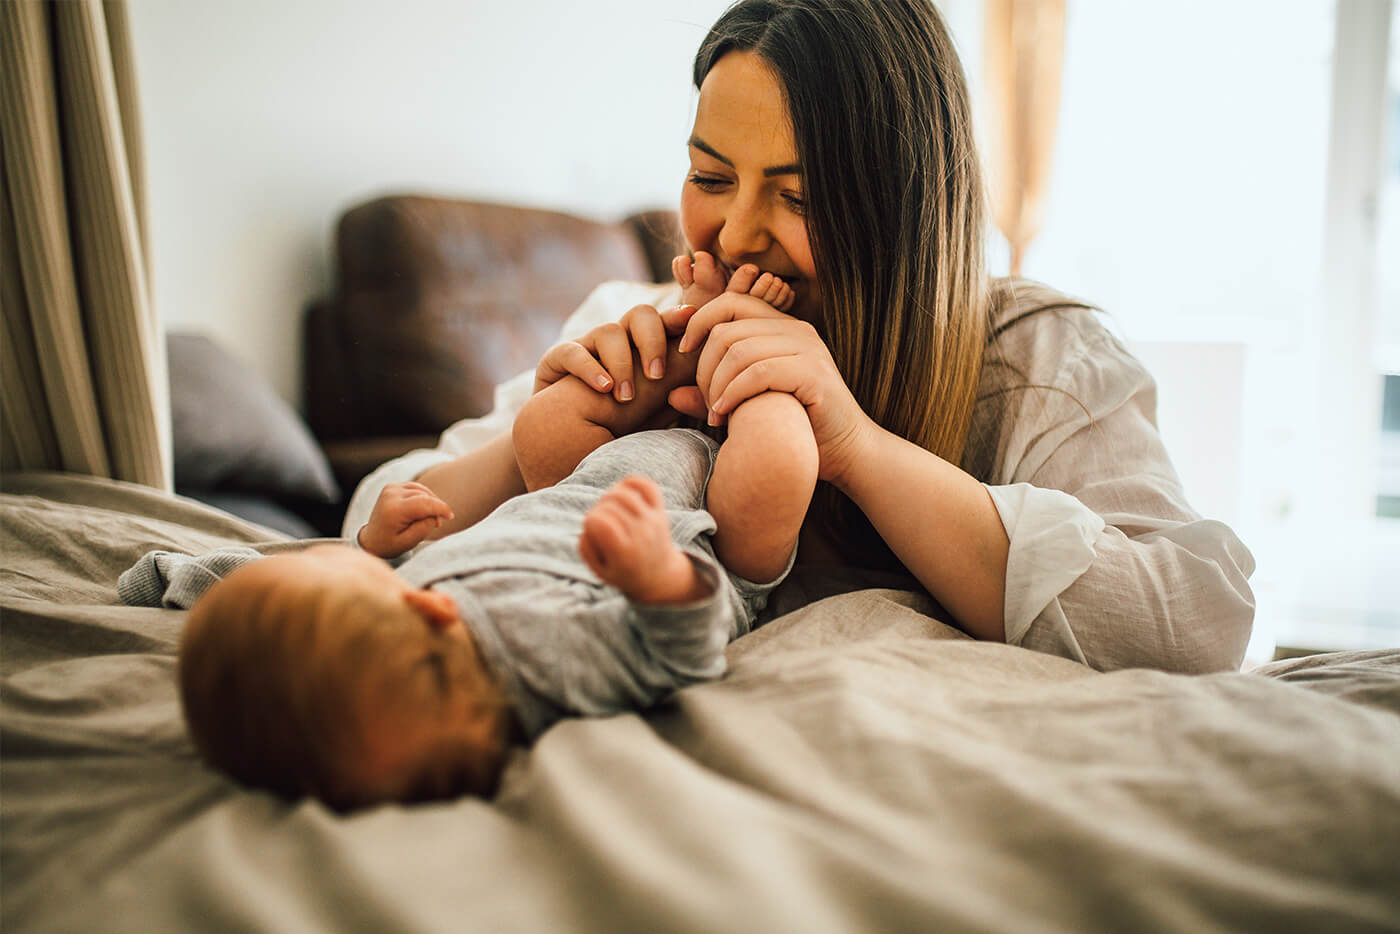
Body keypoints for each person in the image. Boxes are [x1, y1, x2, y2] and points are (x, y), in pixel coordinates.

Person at [345, 0, 1256, 675]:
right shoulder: (628, 312)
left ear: (907, 214)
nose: (734, 234)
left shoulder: (1035, 359)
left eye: (801, 196)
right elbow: (374, 518)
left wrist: (855, 447)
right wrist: (547, 441)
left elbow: (1194, 626)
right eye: (709, 174)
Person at [123, 262, 815, 811]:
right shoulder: (548, 665)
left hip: (573, 489)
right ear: (424, 609)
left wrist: (373, 543)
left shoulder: (393, 616)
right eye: (360, 575)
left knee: (541, 425)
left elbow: (256, 577)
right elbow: (678, 655)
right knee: (775, 464)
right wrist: (656, 579)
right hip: (709, 543)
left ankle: (690, 331)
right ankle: (747, 338)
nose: (353, 566)